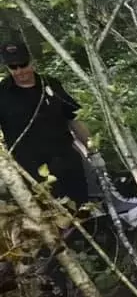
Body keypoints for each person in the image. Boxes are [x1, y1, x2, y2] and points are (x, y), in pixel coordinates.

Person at [0, 42, 91, 207]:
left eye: (23, 64)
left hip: (66, 160)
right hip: (32, 170)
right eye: (13, 67)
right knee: (52, 215)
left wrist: (92, 150)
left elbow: (73, 118)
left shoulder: (51, 84)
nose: (19, 71)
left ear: (31, 62)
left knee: (82, 209)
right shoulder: (2, 93)